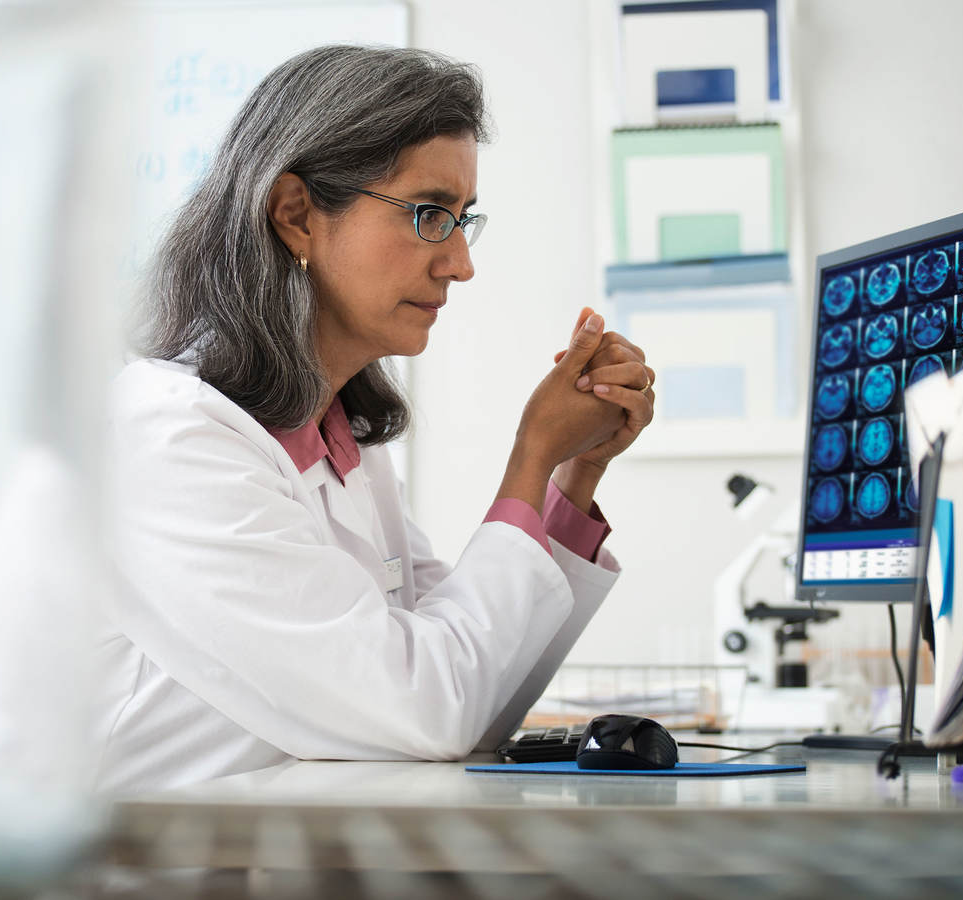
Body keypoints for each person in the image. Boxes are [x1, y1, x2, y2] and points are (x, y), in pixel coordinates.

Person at [96, 45, 655, 792]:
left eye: (463, 220)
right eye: (429, 215)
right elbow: (429, 713)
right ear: (296, 215)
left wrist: (572, 474)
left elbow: (477, 704)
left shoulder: (339, 443)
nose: (460, 263)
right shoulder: (167, 439)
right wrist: (529, 458)